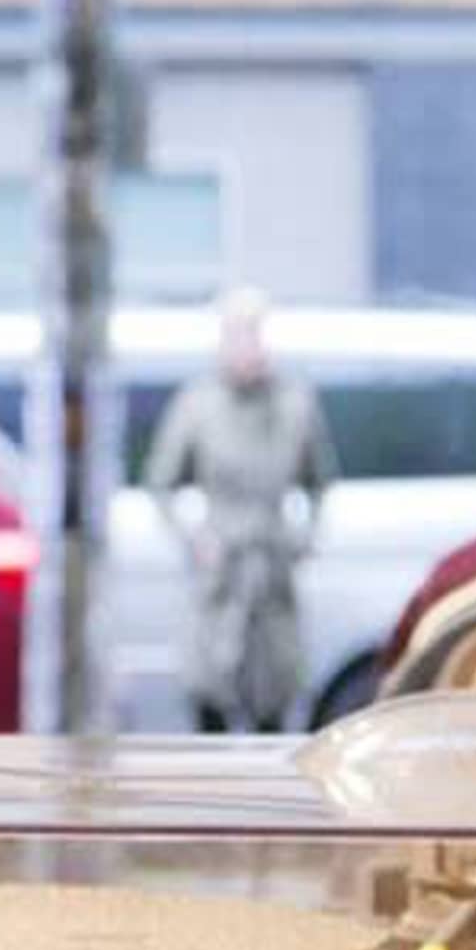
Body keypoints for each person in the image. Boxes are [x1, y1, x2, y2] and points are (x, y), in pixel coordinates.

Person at [140, 288, 338, 733]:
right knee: (210, 690)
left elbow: (321, 480)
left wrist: (302, 538)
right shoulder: (199, 402)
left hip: (271, 568)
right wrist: (194, 539)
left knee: (275, 695)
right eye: (237, 332)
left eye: (255, 331)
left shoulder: (294, 402)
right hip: (221, 572)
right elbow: (161, 481)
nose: (247, 344)